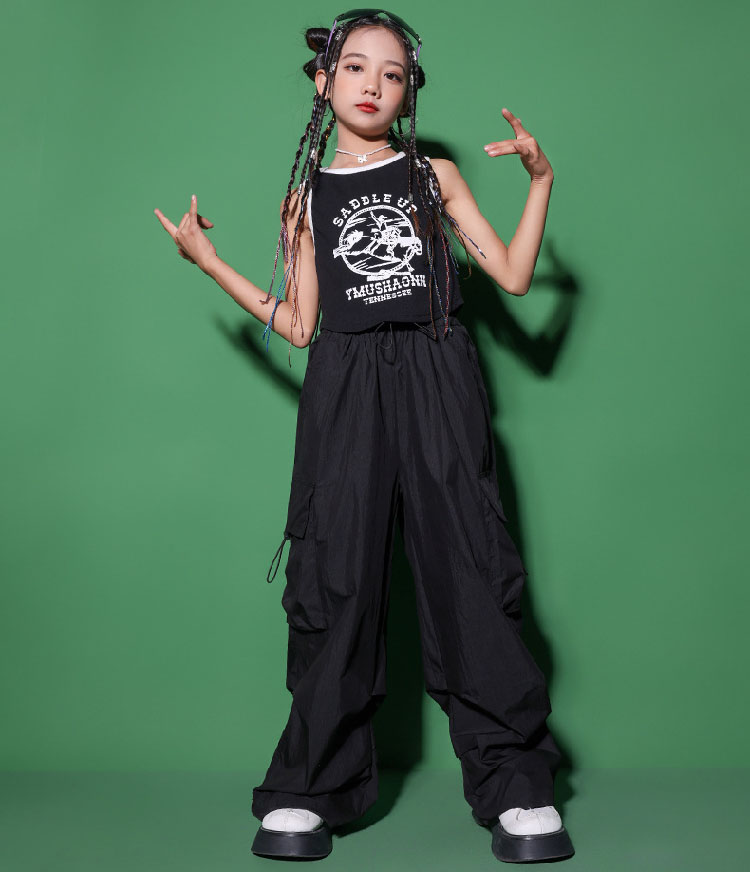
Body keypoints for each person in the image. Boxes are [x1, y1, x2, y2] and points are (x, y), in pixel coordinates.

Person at [154, 8, 574, 865]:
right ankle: (311, 788)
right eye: (355, 67)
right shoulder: (305, 197)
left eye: (392, 73)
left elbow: (513, 277)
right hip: (344, 387)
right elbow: (300, 325)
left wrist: (539, 183)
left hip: (437, 372)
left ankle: (515, 786)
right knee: (335, 573)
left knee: (470, 568)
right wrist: (209, 263)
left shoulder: (433, 176)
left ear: (408, 91)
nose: (373, 84)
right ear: (324, 82)